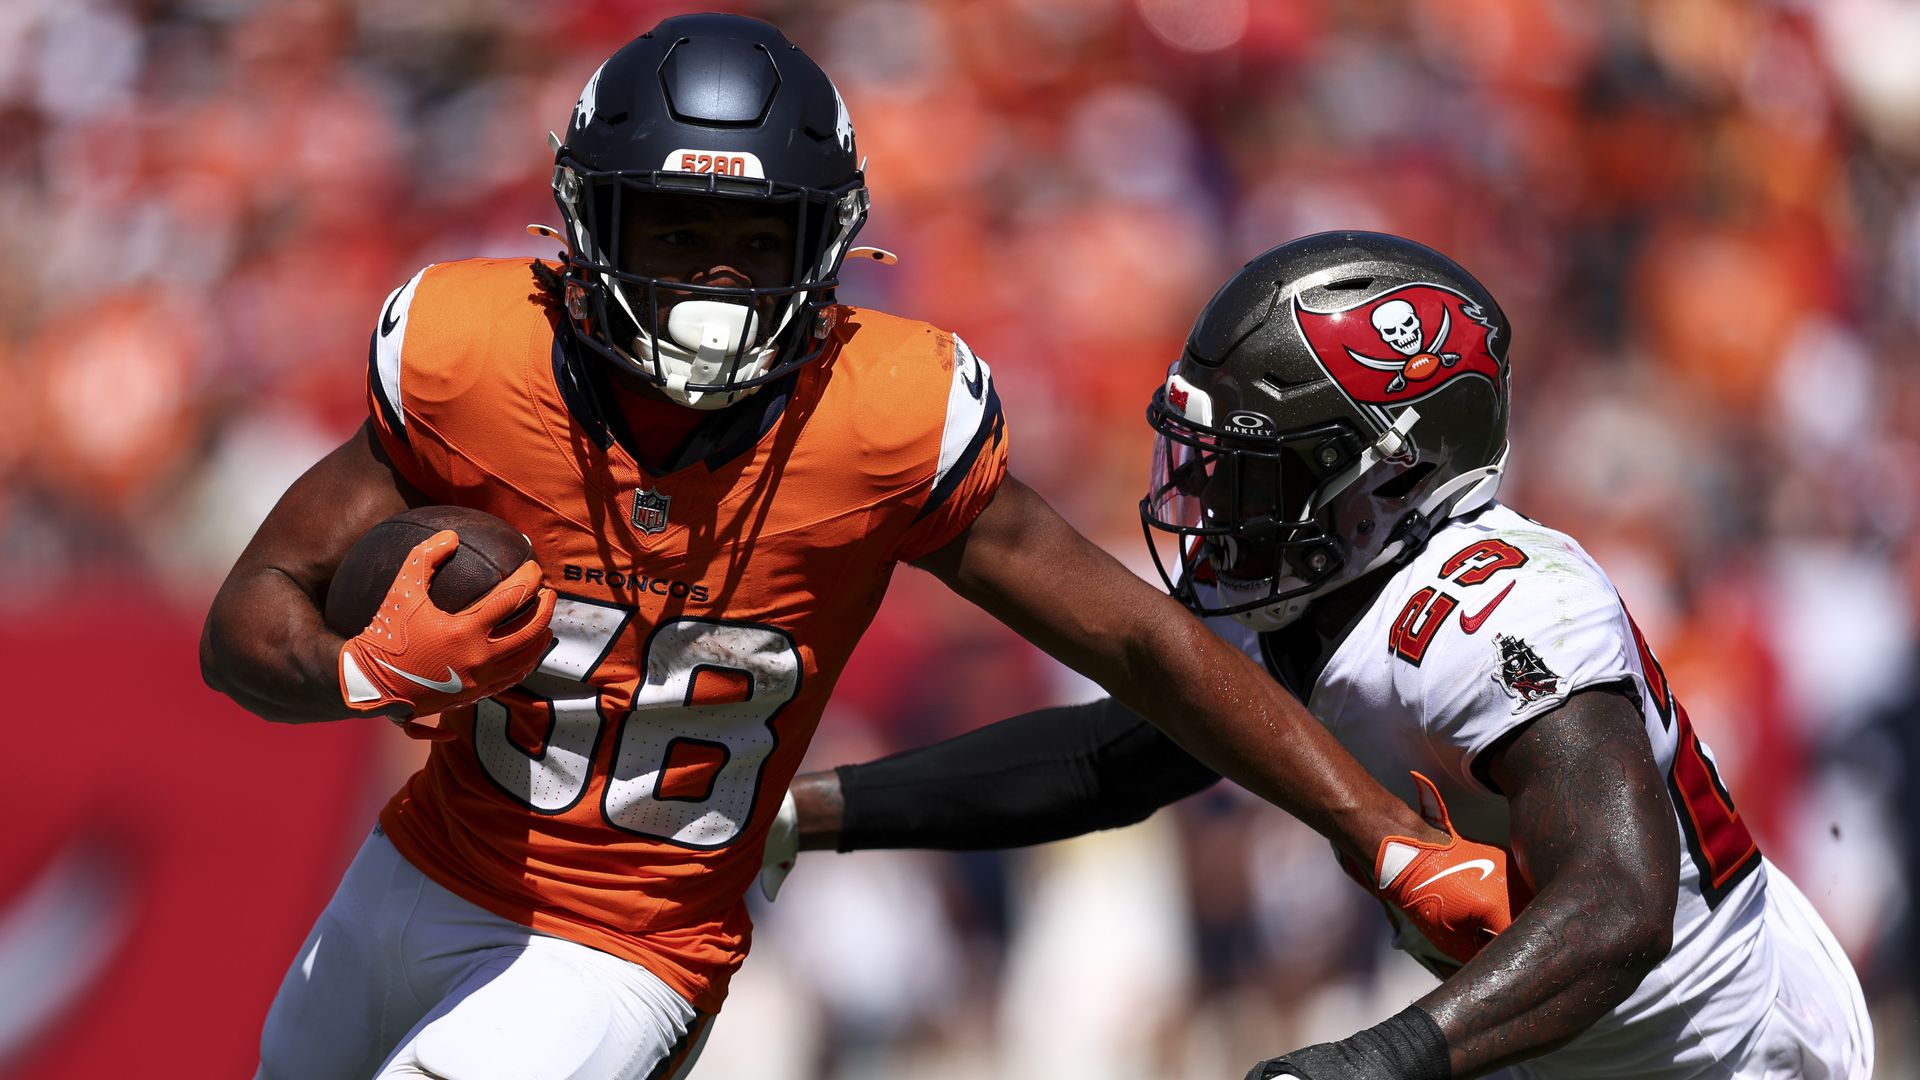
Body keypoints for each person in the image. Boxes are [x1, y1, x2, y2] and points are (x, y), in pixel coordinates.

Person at [199, 17, 1521, 1080]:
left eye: (747, 239)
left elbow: (1137, 638)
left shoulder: (884, 413)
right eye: (675, 231)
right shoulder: (468, 352)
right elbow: (245, 624)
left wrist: (1382, 831)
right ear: (589, 229)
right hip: (409, 878)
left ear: (820, 245)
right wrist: (364, 673)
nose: (712, 279)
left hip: (628, 941)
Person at [767, 232, 1875, 1079]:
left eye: (1251, 470)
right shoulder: (1304, 588)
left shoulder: (1499, 608)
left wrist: (1379, 1059)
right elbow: (1105, 764)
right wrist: (797, 811)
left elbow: (1622, 905)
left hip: (1721, 1052)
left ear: (1385, 474)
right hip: (1541, 1041)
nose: (1205, 501)